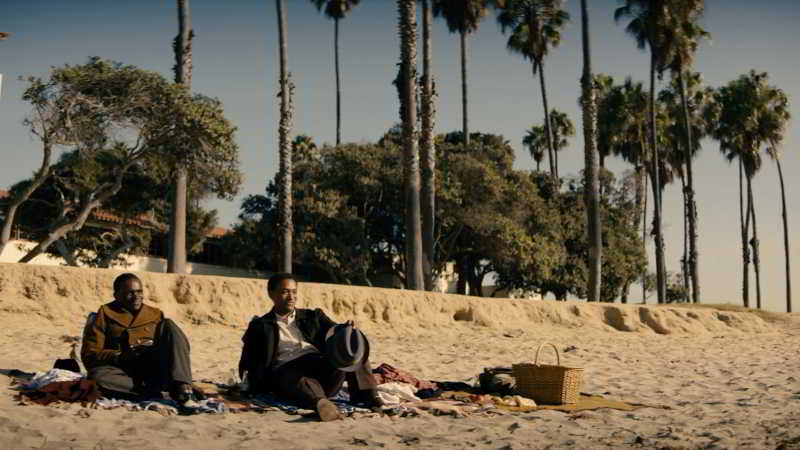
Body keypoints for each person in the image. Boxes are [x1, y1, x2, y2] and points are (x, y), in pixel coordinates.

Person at [238, 273, 382, 421]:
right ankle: (322, 405)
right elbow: (249, 358)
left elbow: (335, 331)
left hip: (320, 368)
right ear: (271, 294)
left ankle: (368, 397)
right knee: (299, 379)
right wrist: (251, 384)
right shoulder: (261, 325)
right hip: (287, 372)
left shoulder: (313, 316)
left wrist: (346, 328)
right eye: (285, 291)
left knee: (353, 349)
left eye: (294, 292)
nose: (291, 296)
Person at [81, 273, 196, 404]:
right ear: (117, 295)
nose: (136, 297)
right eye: (129, 293)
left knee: (169, 325)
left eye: (139, 292)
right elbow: (90, 355)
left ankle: (183, 386)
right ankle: (153, 391)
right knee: (97, 377)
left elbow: (175, 346)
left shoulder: (155, 314)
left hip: (154, 366)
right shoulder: (104, 314)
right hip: (123, 371)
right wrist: (120, 356)